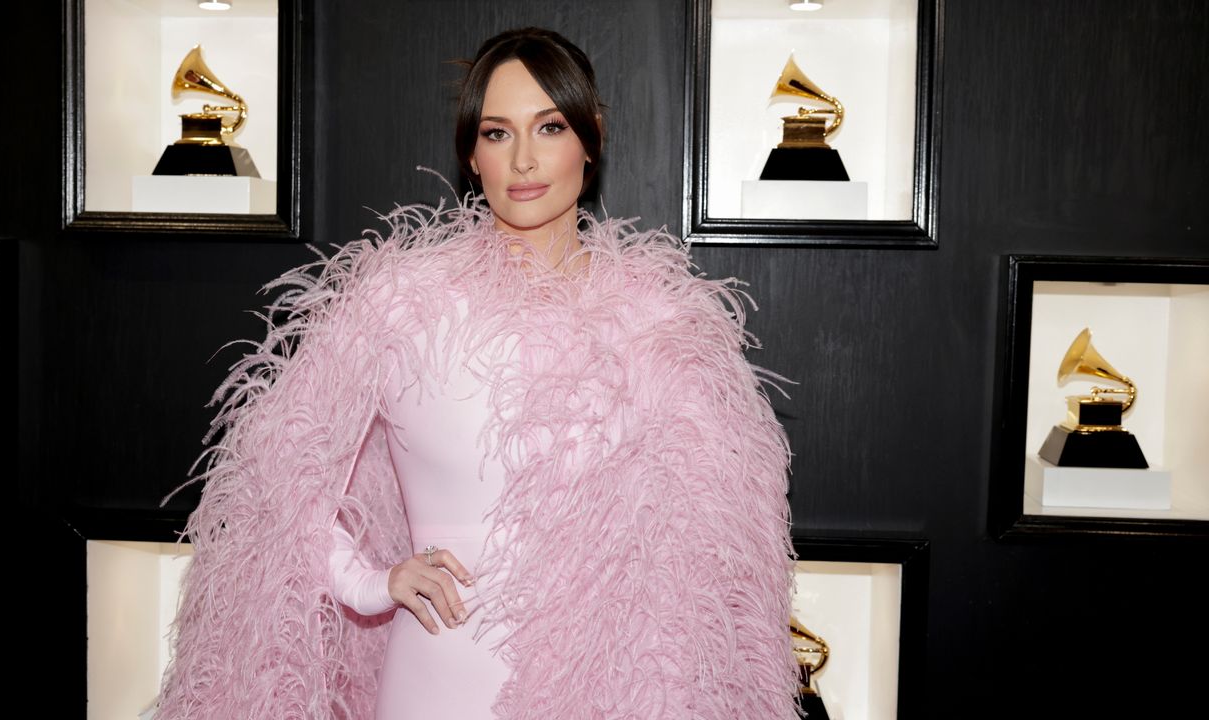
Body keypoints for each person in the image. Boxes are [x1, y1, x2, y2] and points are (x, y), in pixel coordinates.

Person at [157, 27, 799, 720]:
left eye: (549, 126)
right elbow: (275, 480)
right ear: (471, 153)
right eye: (497, 133)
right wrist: (372, 583)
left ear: (592, 138)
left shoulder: (661, 320)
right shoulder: (400, 302)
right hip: (435, 677)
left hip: (616, 691)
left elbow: (714, 555)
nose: (524, 159)